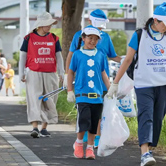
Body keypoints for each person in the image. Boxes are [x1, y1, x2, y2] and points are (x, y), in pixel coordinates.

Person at [106, 2, 166, 166]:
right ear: (156, 20)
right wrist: (115, 83)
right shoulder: (140, 35)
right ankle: (144, 153)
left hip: (163, 83)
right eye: (165, 24)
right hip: (144, 84)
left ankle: (149, 148)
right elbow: (127, 60)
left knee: (158, 117)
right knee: (145, 116)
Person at [64, 9, 121, 148]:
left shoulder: (105, 37)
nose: (94, 40)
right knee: (84, 112)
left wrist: (127, 60)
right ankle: (83, 137)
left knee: (98, 112)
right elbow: (71, 56)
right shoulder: (79, 36)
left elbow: (112, 55)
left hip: (101, 81)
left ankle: (96, 139)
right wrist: (67, 78)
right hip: (83, 83)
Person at [66, 26, 110, 159]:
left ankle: (90, 148)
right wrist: (69, 90)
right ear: (83, 38)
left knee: (94, 122)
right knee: (84, 120)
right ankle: (79, 144)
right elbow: (71, 72)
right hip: (82, 94)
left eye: (95, 39)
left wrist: (110, 88)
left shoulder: (101, 55)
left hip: (97, 95)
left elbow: (103, 73)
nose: (92, 41)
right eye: (90, 38)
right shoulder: (77, 54)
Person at [19, 12, 65, 138]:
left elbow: (59, 56)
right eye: (47, 24)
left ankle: (44, 128)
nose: (50, 26)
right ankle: (34, 127)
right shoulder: (29, 38)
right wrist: (21, 72)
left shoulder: (54, 38)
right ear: (40, 25)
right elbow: (23, 55)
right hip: (34, 73)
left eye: (51, 24)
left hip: (50, 73)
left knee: (49, 99)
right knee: (34, 99)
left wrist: (62, 72)